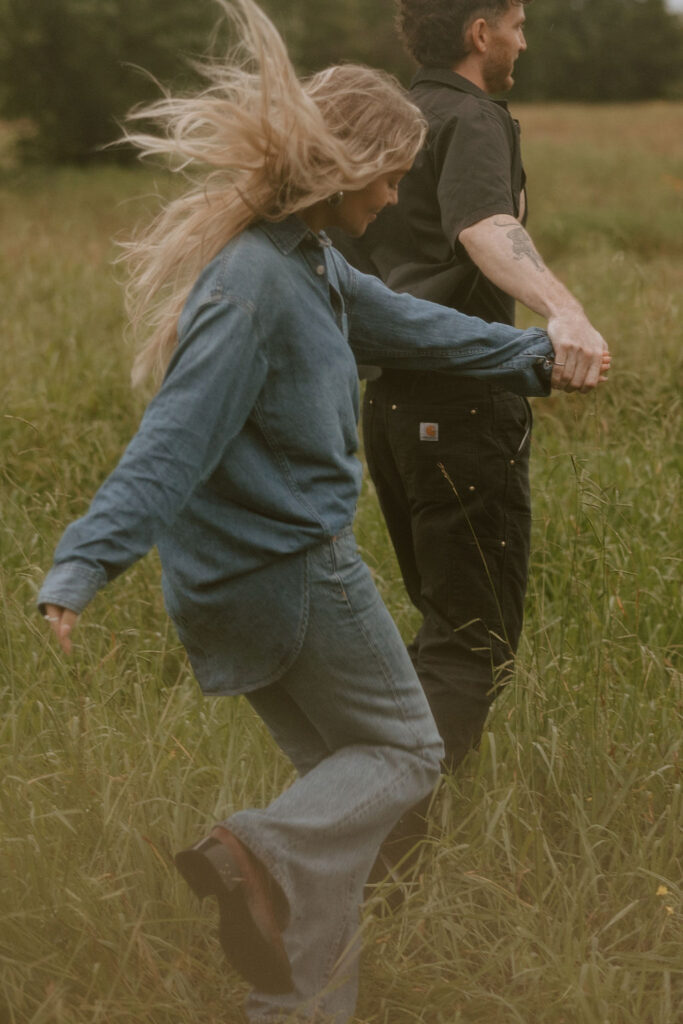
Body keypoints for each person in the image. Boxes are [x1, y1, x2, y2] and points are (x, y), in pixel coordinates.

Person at [38, 2, 569, 1021]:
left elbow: (407, 322)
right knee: (406, 755)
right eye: (390, 173)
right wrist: (82, 562)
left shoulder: (307, 263)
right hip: (292, 572)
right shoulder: (252, 290)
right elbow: (170, 441)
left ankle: (294, 1008)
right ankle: (254, 849)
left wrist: (532, 356)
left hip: (228, 587)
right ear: (344, 168)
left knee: (345, 798)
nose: (396, 192)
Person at [333, 0, 610, 782]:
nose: (523, 41)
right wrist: (567, 314)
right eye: (516, 24)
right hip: (460, 407)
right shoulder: (473, 117)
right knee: (471, 645)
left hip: (388, 410)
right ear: (478, 32)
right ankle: (350, 844)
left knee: (444, 630)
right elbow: (485, 225)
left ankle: (356, 829)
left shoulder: (393, 116)